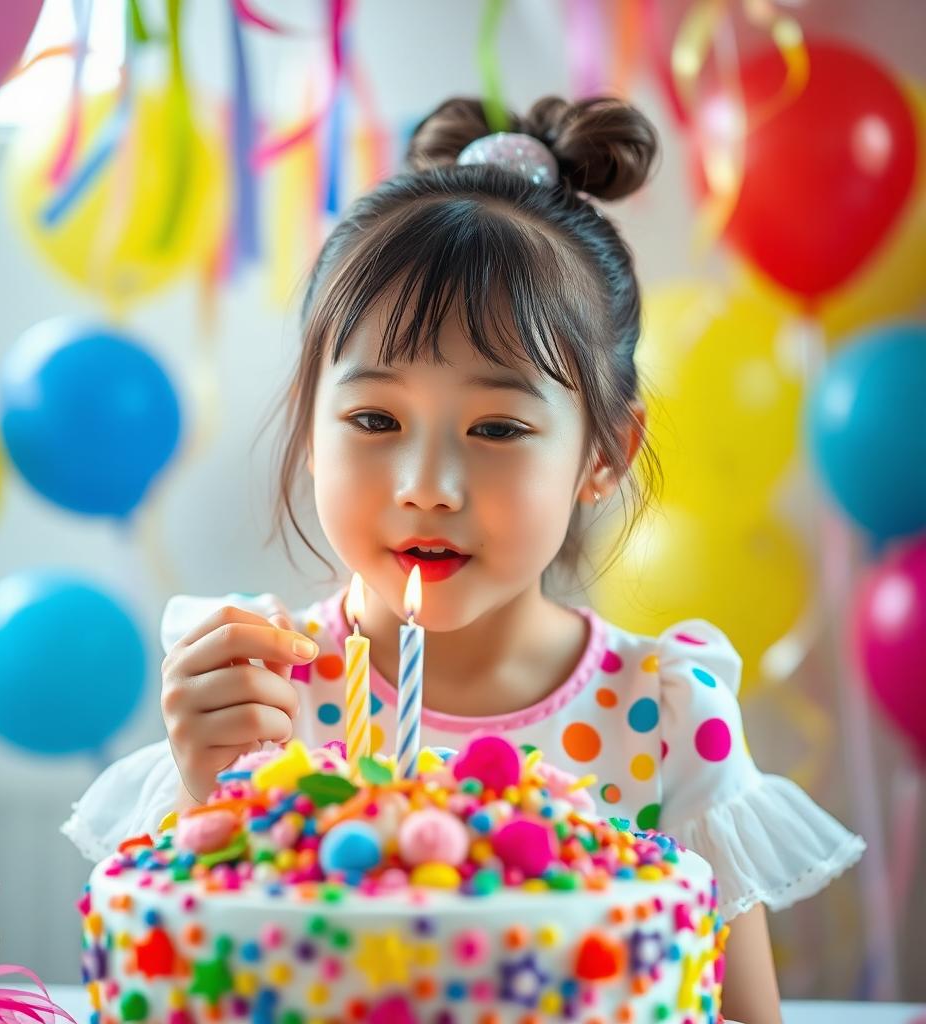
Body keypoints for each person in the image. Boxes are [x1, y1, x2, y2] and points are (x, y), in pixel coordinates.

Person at [63, 95, 864, 1023]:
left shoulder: (669, 718)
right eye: (373, 419)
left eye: (497, 426)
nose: (428, 484)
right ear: (311, 430)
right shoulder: (256, 688)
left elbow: (739, 1017)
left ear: (603, 454)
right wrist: (217, 805)